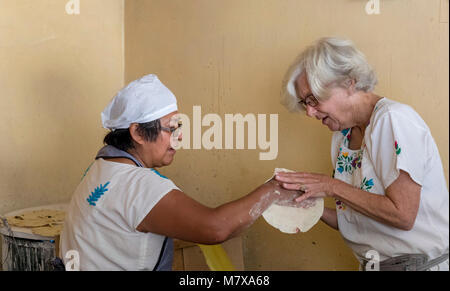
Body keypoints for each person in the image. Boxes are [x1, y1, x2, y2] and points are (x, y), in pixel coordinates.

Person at [60, 74, 300, 271]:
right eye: (171, 128)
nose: (180, 136)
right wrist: (274, 190)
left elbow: (224, 227)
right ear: (139, 133)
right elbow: (215, 229)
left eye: (180, 126)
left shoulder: (102, 168)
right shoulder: (138, 185)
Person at [277, 37, 449, 271]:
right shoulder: (342, 136)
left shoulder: (392, 120)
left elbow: (403, 215)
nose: (309, 112)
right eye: (305, 103)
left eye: (313, 99)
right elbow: (357, 220)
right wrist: (308, 206)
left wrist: (331, 186)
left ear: (349, 83)